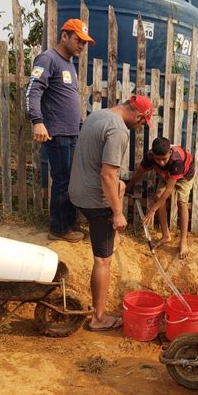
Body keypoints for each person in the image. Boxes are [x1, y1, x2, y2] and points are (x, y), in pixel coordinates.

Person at [68, 95, 152, 332]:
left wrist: (119, 189)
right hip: (95, 201)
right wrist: (117, 213)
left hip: (76, 191)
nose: (140, 127)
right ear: (138, 116)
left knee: (122, 185)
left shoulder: (99, 115)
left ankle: (111, 237)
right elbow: (107, 175)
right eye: (142, 123)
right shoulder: (119, 131)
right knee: (102, 259)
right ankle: (99, 318)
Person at [26, 19, 95, 242]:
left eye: (84, 43)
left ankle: (69, 223)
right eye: (78, 40)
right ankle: (59, 229)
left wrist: (81, 126)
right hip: (57, 133)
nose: (81, 46)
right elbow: (33, 91)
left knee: (71, 180)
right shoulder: (48, 59)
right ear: (64, 36)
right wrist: (37, 120)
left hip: (72, 133)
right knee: (62, 179)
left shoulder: (68, 64)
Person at [126, 136, 195, 259]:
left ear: (170, 152)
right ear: (152, 154)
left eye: (164, 159)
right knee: (158, 196)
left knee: (182, 203)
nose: (161, 162)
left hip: (185, 175)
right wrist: (128, 187)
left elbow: (169, 190)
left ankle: (183, 240)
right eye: (158, 159)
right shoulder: (149, 157)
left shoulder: (176, 161)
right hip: (167, 175)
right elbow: (139, 173)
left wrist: (152, 211)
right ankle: (166, 236)